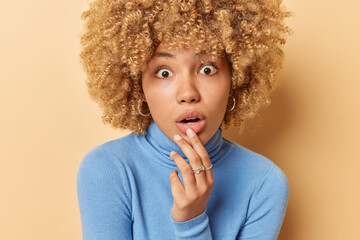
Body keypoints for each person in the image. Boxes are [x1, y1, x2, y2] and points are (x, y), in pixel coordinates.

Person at [77, 0, 292, 239]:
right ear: (139, 87)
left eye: (207, 69)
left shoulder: (264, 183)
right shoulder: (108, 170)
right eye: (164, 72)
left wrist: (192, 223)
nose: (188, 93)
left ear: (236, 78)